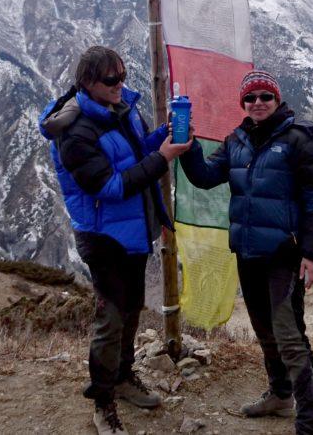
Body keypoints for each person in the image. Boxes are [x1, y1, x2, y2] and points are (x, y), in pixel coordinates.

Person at [39, 45, 192, 435]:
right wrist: (164, 158)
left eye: (122, 75)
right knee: (110, 319)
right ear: (88, 83)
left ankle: (123, 378)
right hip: (104, 237)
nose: (120, 84)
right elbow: (109, 186)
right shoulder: (74, 133)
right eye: (112, 79)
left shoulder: (120, 109)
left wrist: (165, 135)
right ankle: (103, 403)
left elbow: (136, 152)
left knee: (132, 309)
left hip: (134, 231)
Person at [179, 70, 313, 435]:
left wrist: (312, 254)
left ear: (277, 99)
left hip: (284, 254)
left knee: (289, 333)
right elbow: (202, 177)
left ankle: (310, 420)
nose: (258, 102)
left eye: (265, 96)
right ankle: (280, 395)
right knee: (264, 329)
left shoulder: (299, 140)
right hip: (248, 253)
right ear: (242, 104)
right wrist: (188, 143)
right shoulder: (236, 141)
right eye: (250, 98)